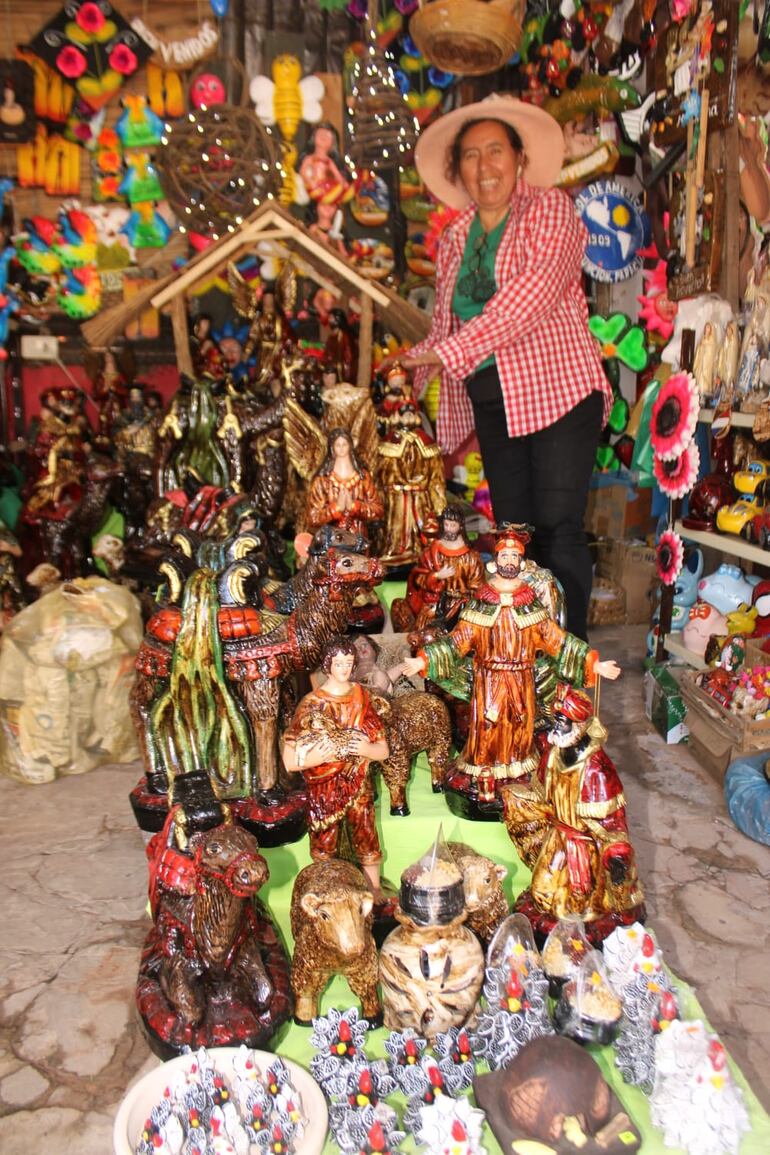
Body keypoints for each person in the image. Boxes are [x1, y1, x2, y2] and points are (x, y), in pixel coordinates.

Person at [380, 95, 612, 640]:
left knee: (557, 529)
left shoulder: (550, 211)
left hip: (556, 389)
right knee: (515, 536)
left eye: (495, 151)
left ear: (519, 157)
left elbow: (528, 299)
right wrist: (409, 369)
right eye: (470, 155)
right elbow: (446, 326)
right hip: (492, 398)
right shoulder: (455, 237)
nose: (484, 166)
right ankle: (525, 652)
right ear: (456, 169)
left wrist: (444, 353)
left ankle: (570, 656)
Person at [402, 525, 620, 807]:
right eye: (504, 556)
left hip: (521, 680)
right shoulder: (481, 602)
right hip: (489, 680)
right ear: (494, 562)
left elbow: (557, 640)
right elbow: (458, 641)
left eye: (514, 556)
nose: (509, 561)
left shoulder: (530, 605)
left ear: (521, 562)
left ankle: (517, 775)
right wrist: (424, 659)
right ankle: (484, 776)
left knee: (519, 727)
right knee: (487, 726)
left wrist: (593, 662)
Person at [500, 683, 645, 938]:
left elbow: (613, 821)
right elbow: (541, 793)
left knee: (574, 906)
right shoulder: (553, 755)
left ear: (578, 725)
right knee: (541, 892)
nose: (555, 727)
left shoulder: (596, 768)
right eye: (556, 720)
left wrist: (616, 852)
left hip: (584, 848)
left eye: (562, 722)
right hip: (557, 839)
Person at [281, 635, 389, 900]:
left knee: (366, 832)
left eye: (349, 663)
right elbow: (289, 761)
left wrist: (366, 749)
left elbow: (383, 750)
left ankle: (374, 887)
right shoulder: (312, 704)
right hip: (324, 787)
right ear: (327, 665)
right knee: (324, 839)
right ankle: (325, 885)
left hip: (358, 781)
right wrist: (315, 758)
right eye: (338, 663)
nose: (344, 669)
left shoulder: (362, 697)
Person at [393, 502, 485, 630]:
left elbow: (478, 586)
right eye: (446, 525)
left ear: (460, 526)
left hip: (462, 607)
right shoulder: (431, 552)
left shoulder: (472, 557)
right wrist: (436, 576)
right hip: (434, 604)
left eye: (453, 525)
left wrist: (462, 598)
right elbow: (419, 578)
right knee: (425, 629)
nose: (449, 529)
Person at [306, 426, 383, 541]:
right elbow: (313, 517)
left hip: (358, 539)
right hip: (331, 540)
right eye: (338, 445)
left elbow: (378, 510)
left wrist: (355, 506)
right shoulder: (322, 481)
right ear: (332, 447)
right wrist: (335, 509)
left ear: (350, 446)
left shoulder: (362, 477)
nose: (341, 448)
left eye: (344, 444)